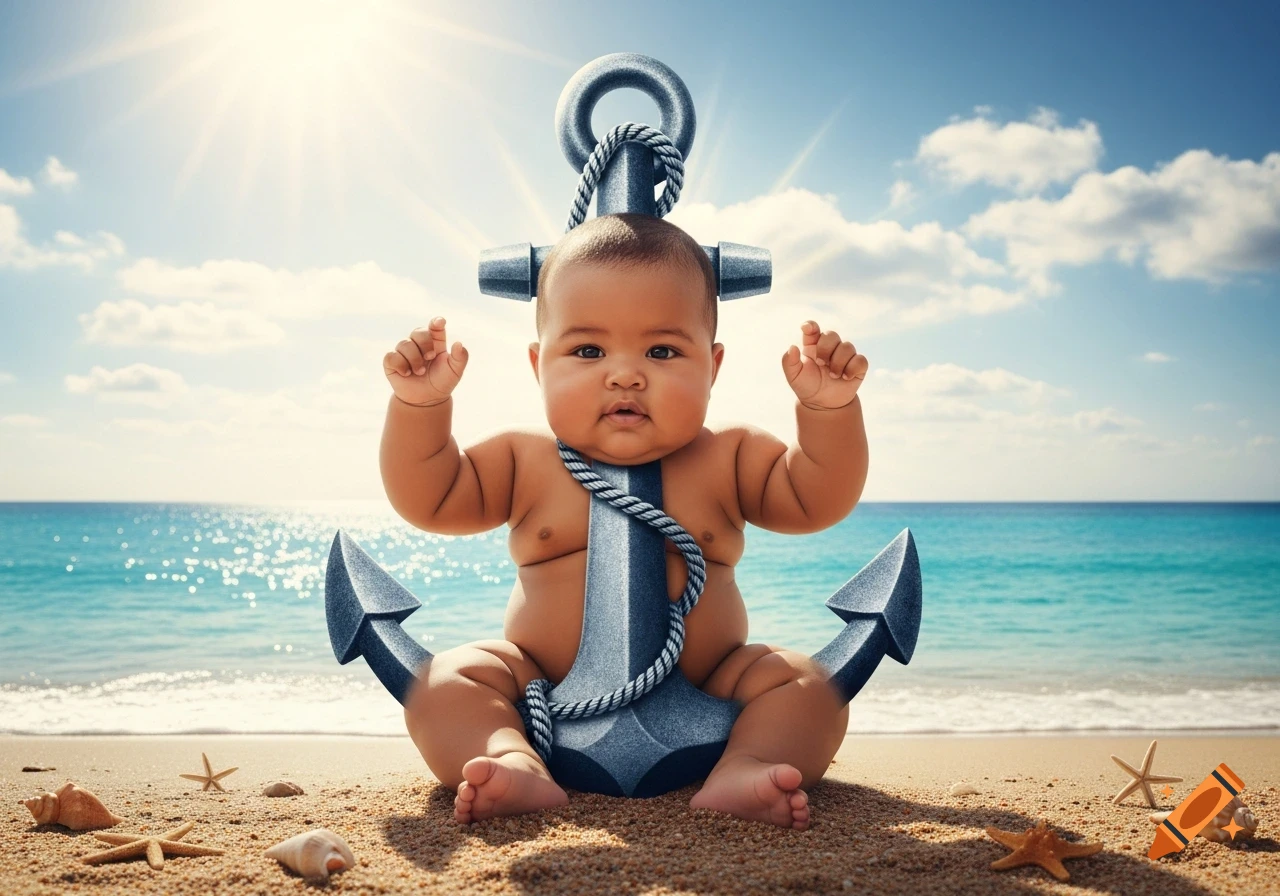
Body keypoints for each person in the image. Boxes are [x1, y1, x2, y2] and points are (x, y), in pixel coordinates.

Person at [381, 213, 869, 830]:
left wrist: (828, 414)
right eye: (588, 350)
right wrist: (421, 409)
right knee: (445, 682)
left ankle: (746, 764)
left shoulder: (731, 455)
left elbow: (815, 500)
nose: (625, 373)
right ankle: (510, 758)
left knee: (806, 686)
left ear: (712, 367)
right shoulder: (521, 459)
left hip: (712, 691)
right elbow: (431, 496)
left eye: (662, 350)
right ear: (539, 365)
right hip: (541, 693)